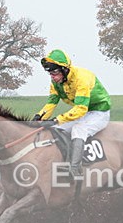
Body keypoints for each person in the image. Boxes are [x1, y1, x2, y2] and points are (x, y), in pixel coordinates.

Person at [34, 49, 112, 180]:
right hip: (83, 112)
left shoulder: (82, 78)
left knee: (78, 129)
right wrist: (39, 116)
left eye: (54, 73)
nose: (52, 77)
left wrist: (56, 119)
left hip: (99, 112)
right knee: (55, 130)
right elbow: (52, 102)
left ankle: (75, 168)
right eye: (50, 74)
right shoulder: (56, 82)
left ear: (65, 70)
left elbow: (80, 108)